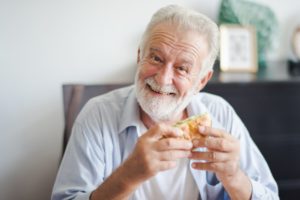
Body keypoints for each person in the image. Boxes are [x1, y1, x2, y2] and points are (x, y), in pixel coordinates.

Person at [51, 5, 279, 200]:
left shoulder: (221, 114)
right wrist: (127, 176)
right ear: (139, 57)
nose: (163, 78)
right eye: (156, 58)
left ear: (202, 80)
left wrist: (234, 177)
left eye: (182, 68)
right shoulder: (97, 114)